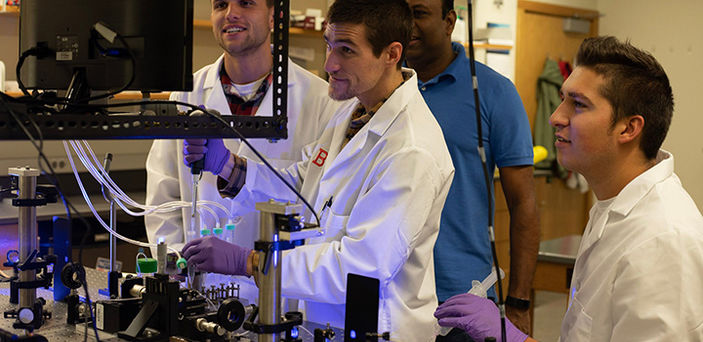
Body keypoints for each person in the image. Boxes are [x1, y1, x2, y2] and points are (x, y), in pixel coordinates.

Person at [181, 0, 455, 340]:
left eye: (347, 50)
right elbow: (304, 182)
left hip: (379, 329)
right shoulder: (355, 111)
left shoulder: (411, 149)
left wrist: (248, 262)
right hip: (325, 323)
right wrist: (229, 167)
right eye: (329, 44)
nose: (330, 64)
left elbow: (360, 267)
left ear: (391, 53)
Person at [434, 36, 703, 341]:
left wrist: (513, 339)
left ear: (629, 128)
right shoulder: (613, 208)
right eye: (563, 99)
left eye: (578, 104)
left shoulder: (663, 240)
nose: (556, 117)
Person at [145, 0, 341, 303]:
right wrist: (175, 267)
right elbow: (163, 196)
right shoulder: (185, 95)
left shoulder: (320, 102)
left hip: (280, 296)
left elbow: (316, 205)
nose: (230, 13)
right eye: (221, 4)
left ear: (275, 15)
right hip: (199, 294)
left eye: (246, 3)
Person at [404, 0, 539, 336]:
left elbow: (523, 205)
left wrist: (519, 303)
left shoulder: (495, 92)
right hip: (390, 290)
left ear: (449, 21)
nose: (408, 25)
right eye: (401, 13)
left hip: (463, 296)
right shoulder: (378, 87)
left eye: (419, 13)